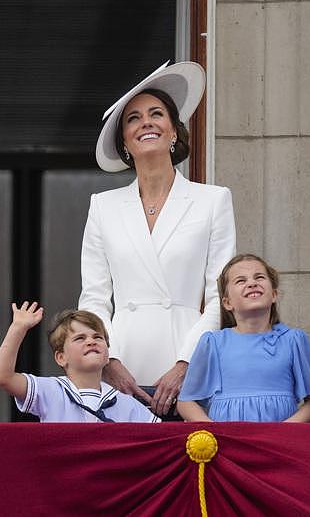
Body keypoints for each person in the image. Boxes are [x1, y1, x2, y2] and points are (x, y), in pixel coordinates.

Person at [80, 61, 236, 418]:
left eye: (156, 114)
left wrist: (186, 363)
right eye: (133, 118)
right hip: (122, 368)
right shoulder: (103, 206)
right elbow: (94, 297)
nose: (145, 122)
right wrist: (108, 360)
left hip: (191, 367)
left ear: (174, 132)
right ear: (125, 143)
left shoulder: (213, 200)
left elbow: (219, 296)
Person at [176, 254, 310, 422]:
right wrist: (214, 431)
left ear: (274, 294)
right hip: (228, 442)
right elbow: (186, 401)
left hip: (278, 442)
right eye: (241, 281)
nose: (252, 283)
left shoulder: (294, 340)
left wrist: (285, 430)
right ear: (227, 303)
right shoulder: (213, 343)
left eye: (259, 277)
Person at [0, 303, 159, 423]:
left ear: (108, 354)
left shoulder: (127, 403)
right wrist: (18, 327)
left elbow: (160, 439)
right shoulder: (50, 390)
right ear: (61, 358)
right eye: (80, 338)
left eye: (98, 337)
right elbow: (3, 377)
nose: (90, 341)